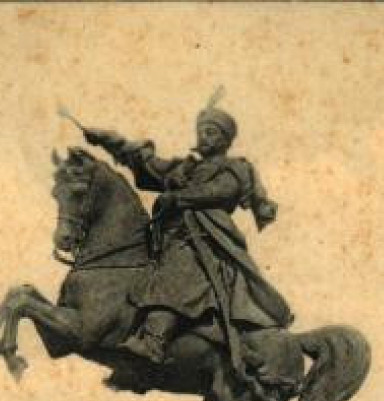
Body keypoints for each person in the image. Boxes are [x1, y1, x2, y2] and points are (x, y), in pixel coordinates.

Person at [84, 100, 293, 366]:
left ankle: (154, 341)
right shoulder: (186, 168)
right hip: (169, 236)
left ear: (225, 140)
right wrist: (109, 140)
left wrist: (177, 197)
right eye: (202, 131)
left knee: (181, 270)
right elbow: (148, 163)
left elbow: (220, 191)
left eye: (211, 132)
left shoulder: (235, 167)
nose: (203, 137)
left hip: (204, 238)